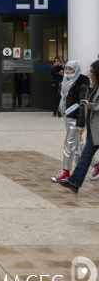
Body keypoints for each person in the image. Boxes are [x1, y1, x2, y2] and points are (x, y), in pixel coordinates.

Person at [58, 61, 99, 193]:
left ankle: (72, 179)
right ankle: (74, 182)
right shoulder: (94, 86)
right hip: (95, 127)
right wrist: (92, 87)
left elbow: (87, 104)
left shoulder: (81, 85)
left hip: (95, 126)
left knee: (83, 152)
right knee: (85, 154)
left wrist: (90, 106)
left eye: (92, 71)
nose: (90, 74)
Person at [51, 61, 90, 182]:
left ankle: (66, 172)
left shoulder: (81, 85)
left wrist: (80, 123)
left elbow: (82, 105)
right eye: (66, 69)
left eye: (70, 69)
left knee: (68, 144)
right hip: (67, 116)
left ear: (76, 70)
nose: (67, 71)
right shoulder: (65, 82)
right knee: (79, 145)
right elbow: (61, 99)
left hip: (75, 118)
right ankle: (97, 165)